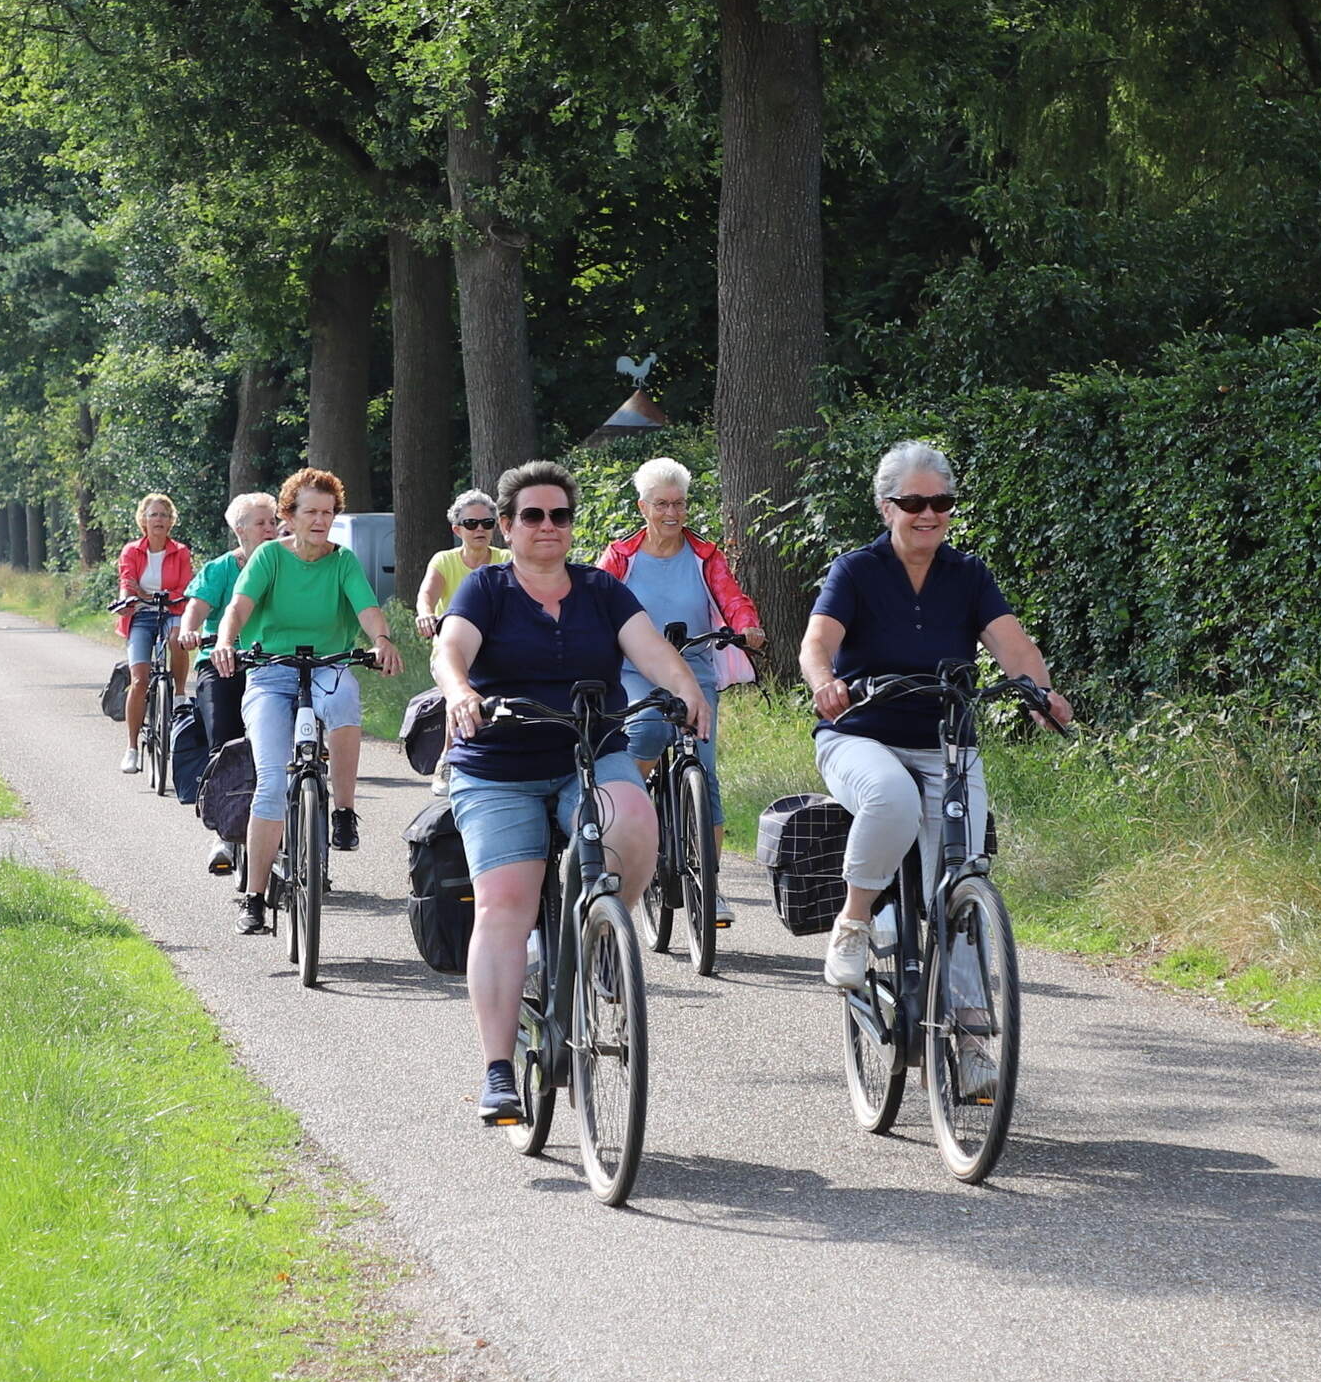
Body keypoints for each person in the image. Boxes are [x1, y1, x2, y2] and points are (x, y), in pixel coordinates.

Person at [435, 461, 710, 1123]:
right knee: (505, 902)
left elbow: (649, 649)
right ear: (507, 527)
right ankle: (498, 1070)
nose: (548, 526)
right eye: (532, 515)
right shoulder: (486, 588)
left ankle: (603, 938)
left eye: (559, 515)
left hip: (589, 752)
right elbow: (450, 649)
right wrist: (461, 691)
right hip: (498, 764)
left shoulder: (600, 590)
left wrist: (685, 690)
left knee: (635, 819)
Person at [799, 440, 1071, 991]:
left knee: (960, 879)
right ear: (887, 508)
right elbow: (816, 643)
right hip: (861, 736)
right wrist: (826, 682)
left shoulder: (968, 574)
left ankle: (969, 1019)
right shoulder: (856, 570)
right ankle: (853, 921)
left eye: (941, 502)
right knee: (891, 797)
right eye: (913, 503)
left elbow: (1013, 646)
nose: (928, 514)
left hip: (947, 741)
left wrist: (1040, 693)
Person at [211, 467, 399, 935]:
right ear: (288, 516)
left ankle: (343, 812)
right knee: (272, 783)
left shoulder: (343, 561)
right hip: (270, 672)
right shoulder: (270, 556)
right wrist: (226, 641)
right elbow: (238, 606)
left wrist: (381, 640)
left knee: (346, 697)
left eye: (328, 512)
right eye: (310, 512)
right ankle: (254, 898)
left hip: (328, 664)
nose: (320, 520)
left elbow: (367, 609)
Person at [596, 456, 765, 928]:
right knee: (648, 730)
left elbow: (732, 597)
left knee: (704, 771)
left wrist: (747, 625)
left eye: (679, 504)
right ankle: (634, 816)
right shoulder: (622, 556)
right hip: (636, 669)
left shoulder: (705, 555)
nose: (672, 513)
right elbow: (594, 598)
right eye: (662, 504)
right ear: (643, 507)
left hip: (695, 667)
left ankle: (710, 884)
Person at [184, 491, 280, 858]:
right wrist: (190, 630)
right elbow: (196, 608)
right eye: (261, 523)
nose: (270, 528)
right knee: (224, 740)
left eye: (273, 521)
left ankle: (299, 822)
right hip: (221, 660)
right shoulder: (221, 569)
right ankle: (224, 831)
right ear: (240, 530)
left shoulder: (286, 565)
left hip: (272, 659)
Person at [115, 493, 201, 774]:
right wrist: (130, 599)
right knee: (139, 680)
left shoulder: (181, 551)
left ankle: (178, 694)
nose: (159, 520)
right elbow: (127, 583)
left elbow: (185, 588)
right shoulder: (131, 551)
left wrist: (149, 594)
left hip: (172, 611)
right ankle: (131, 749)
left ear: (171, 521)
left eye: (164, 515)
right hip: (140, 616)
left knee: (177, 639)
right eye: (154, 515)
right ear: (144, 520)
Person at [413, 489, 504, 643]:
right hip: (451, 645)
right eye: (471, 524)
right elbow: (426, 595)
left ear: (494, 527)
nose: (480, 529)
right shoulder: (444, 560)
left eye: (487, 523)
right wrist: (425, 614)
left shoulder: (507, 559)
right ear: (457, 530)